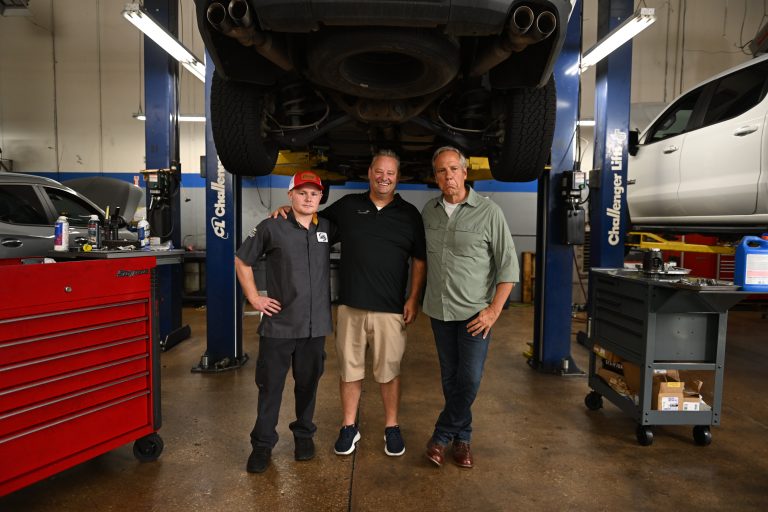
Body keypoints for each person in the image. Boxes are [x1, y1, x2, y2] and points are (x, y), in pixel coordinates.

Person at [273, 150, 426, 457]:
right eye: (379, 171)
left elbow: (420, 260)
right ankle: (348, 426)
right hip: (351, 306)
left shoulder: (410, 215)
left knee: (389, 372)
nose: (384, 178)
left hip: (390, 309)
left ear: (398, 177)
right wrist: (290, 210)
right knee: (349, 370)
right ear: (369, 173)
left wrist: (412, 298)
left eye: (390, 173)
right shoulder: (348, 206)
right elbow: (312, 221)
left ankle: (392, 427)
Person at [421, 146, 519, 469]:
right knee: (450, 379)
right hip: (439, 312)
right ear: (435, 177)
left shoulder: (489, 212)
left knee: (470, 378)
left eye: (453, 169)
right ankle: (462, 440)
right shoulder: (429, 212)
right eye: (441, 171)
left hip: (475, 315)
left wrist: (493, 311)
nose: (448, 176)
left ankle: (441, 436)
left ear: (465, 172)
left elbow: (508, 269)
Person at [235, 170, 337, 474]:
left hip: (314, 327)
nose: (308, 198)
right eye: (302, 192)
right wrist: (254, 297)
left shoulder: (327, 227)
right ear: (290, 195)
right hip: (279, 326)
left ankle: (304, 436)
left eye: (314, 193)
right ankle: (262, 445)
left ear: (321, 197)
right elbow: (242, 260)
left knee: (308, 385)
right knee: (270, 387)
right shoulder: (271, 226)